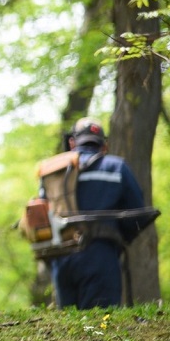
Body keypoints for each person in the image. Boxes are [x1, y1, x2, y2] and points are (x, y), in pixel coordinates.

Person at [47, 117, 149, 310]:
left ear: (72, 143)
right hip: (100, 254)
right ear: (104, 145)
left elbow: (43, 212)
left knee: (68, 328)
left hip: (61, 258)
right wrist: (120, 238)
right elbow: (137, 214)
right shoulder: (116, 168)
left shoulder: (53, 171)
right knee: (99, 326)